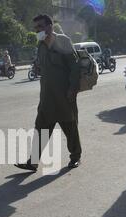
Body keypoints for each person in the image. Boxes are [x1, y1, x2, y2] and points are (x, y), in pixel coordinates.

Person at [15, 14, 81, 172]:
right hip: (46, 96)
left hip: (64, 95)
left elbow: (74, 66)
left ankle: (75, 157)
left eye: (40, 26)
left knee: (70, 127)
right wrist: (38, 68)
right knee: (41, 128)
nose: (37, 30)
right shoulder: (41, 45)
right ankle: (33, 161)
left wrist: (73, 89)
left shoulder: (63, 41)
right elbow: (42, 66)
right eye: (36, 27)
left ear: (50, 26)